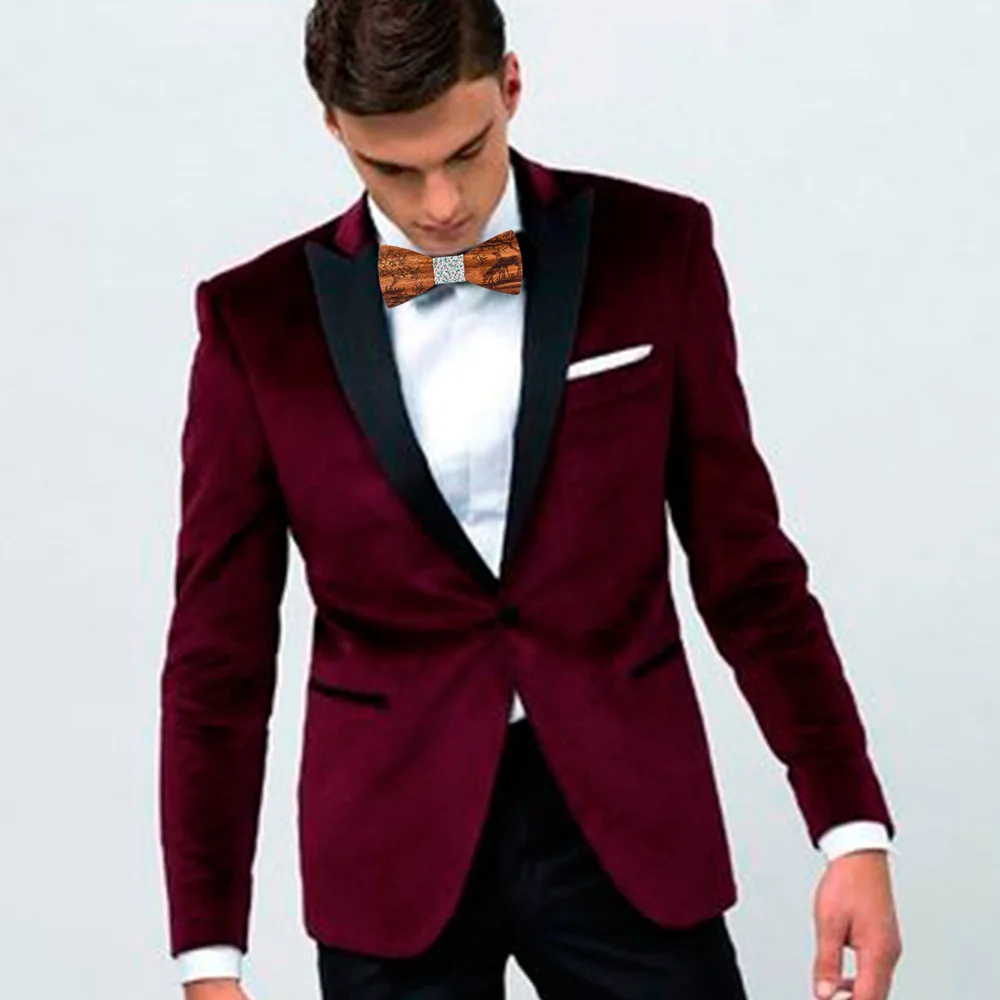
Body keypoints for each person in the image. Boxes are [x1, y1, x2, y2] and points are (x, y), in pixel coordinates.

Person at [158, 1, 903, 998]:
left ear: (511, 84)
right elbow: (218, 660)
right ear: (334, 127)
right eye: (392, 169)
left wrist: (850, 828)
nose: (438, 206)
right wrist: (209, 953)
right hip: (390, 847)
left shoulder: (656, 249)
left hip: (628, 828)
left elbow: (748, 571)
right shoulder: (256, 324)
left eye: (465, 153)